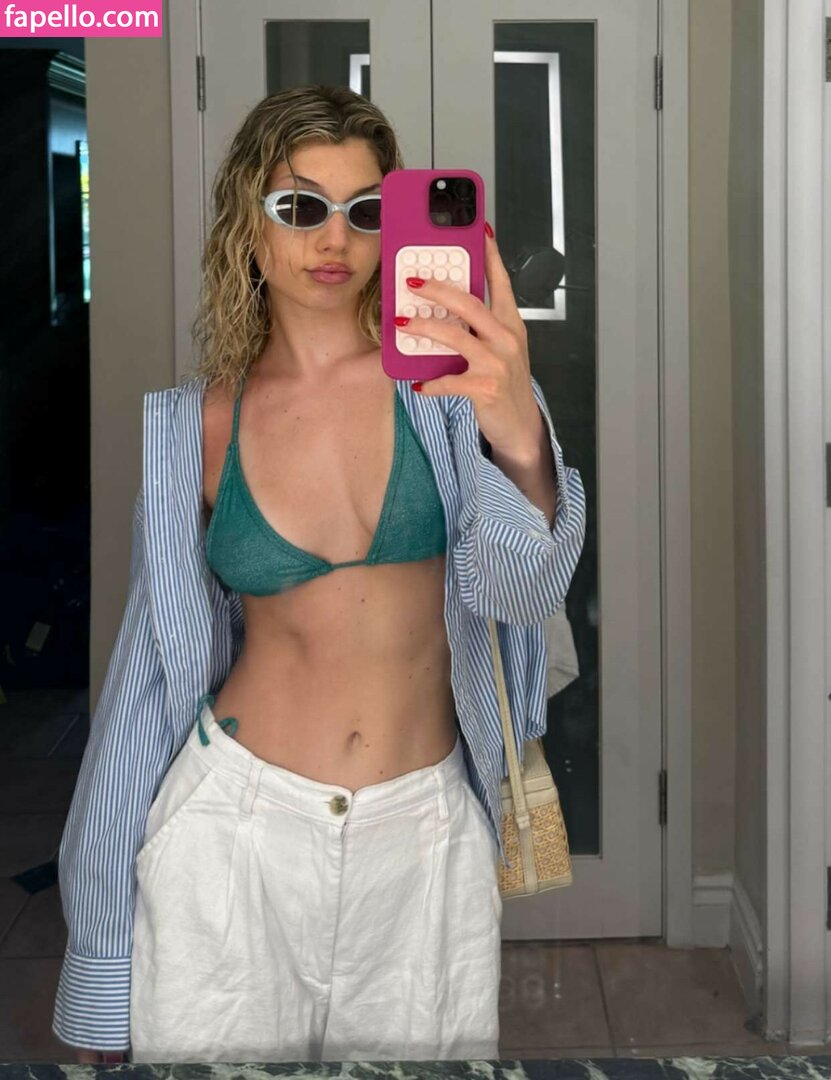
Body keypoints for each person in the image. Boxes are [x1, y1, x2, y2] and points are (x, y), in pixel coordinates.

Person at [53, 84, 586, 1065]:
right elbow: (147, 682)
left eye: (365, 210)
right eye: (300, 205)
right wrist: (98, 966)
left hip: (424, 838)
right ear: (246, 223)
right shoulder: (193, 426)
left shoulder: (457, 390)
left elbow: (524, 592)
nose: (334, 237)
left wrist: (517, 429)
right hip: (231, 829)